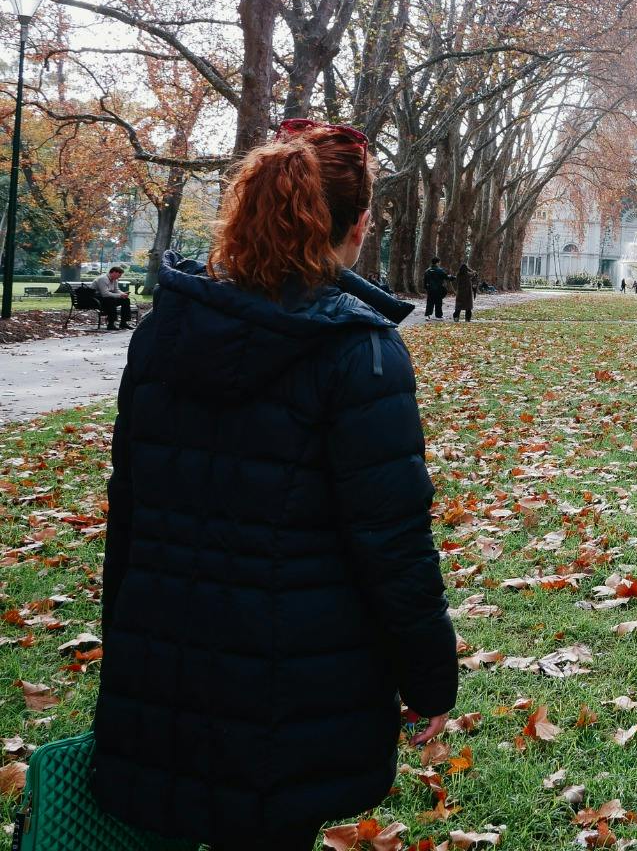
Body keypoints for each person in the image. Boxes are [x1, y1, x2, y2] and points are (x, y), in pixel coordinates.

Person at [92, 119, 458, 851]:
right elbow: (392, 543)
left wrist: (126, 639)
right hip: (289, 685)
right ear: (356, 227)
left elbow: (126, 508)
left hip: (163, 656)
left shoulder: (164, 329)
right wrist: (430, 680)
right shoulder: (360, 354)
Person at [90, 265, 133, 329]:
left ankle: (123, 323)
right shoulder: (103, 279)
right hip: (96, 299)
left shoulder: (115, 280)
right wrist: (120, 295)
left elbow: (116, 290)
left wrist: (123, 294)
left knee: (125, 300)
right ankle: (111, 324)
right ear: (114, 272)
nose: (119, 277)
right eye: (119, 275)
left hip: (106, 298)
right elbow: (105, 294)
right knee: (111, 300)